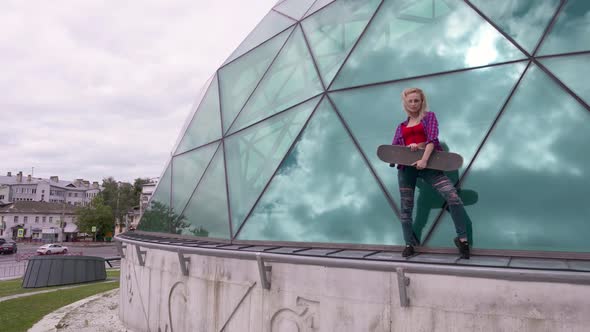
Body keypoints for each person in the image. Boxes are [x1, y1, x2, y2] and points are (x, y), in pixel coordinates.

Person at [391, 87, 470, 259]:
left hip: (429, 165)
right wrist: (406, 148)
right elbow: (394, 149)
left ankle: (462, 239)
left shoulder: (429, 117)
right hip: (407, 170)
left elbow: (432, 139)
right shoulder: (401, 127)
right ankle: (409, 244)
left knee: (452, 196)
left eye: (416, 100)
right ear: (405, 103)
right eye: (410, 101)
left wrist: (423, 157)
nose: (413, 104)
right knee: (406, 208)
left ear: (421, 101)